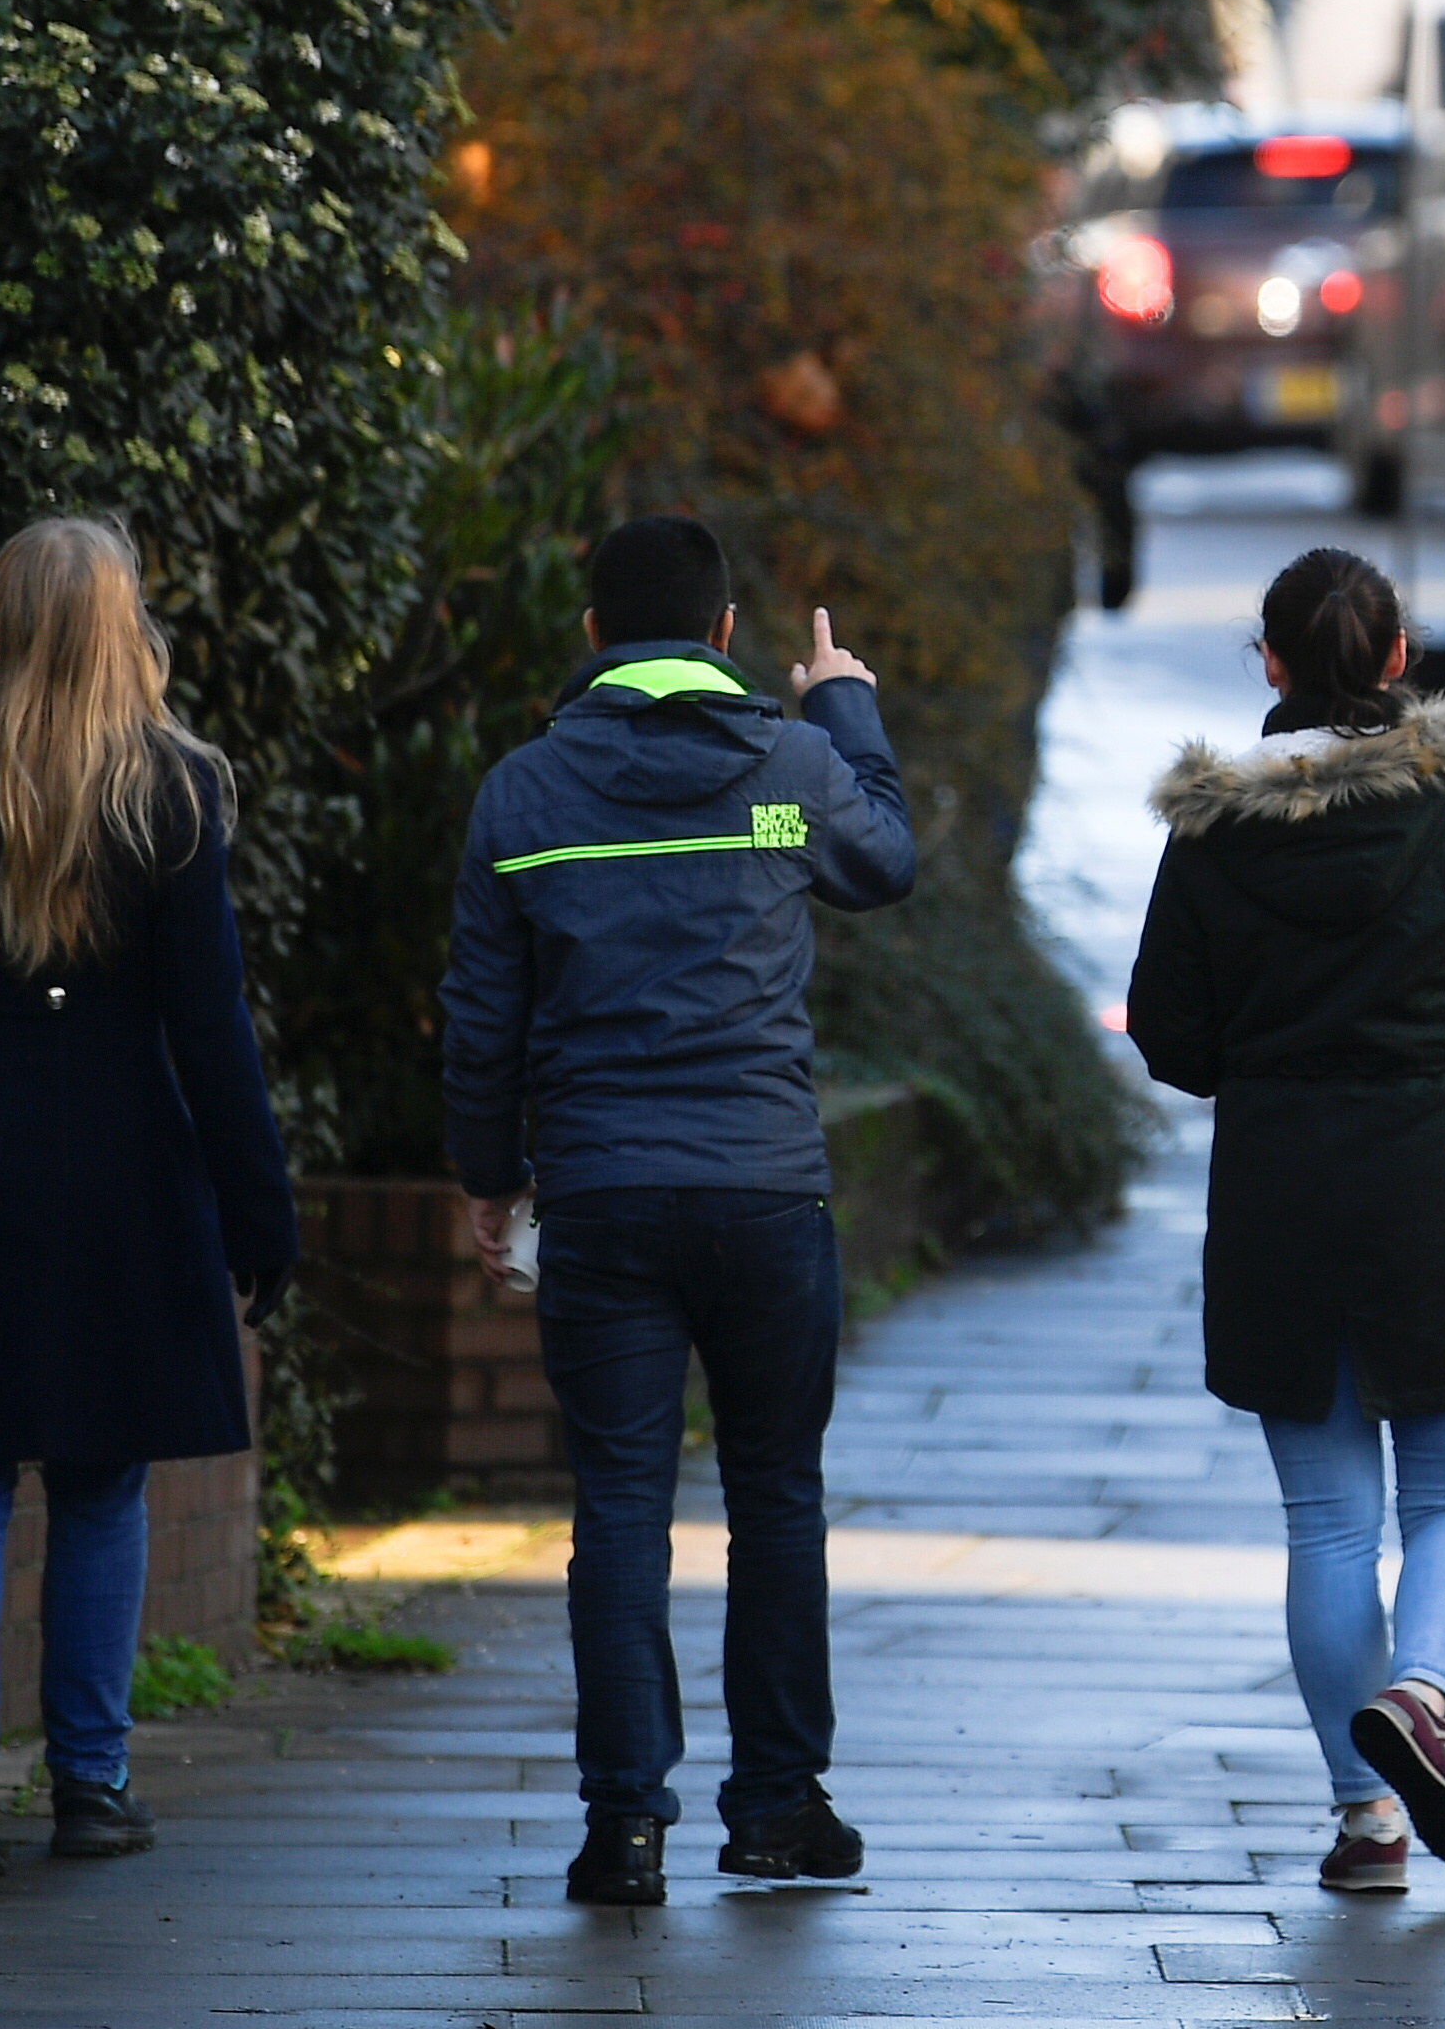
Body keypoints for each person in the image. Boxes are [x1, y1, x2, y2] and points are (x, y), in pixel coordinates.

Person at [0, 515, 298, 1882]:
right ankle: (91, 1780)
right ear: (114, 624)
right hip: (120, 1177)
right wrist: (262, 1217)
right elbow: (213, 1033)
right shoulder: (173, 790)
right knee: (100, 1480)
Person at [444, 516, 915, 1910]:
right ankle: (776, 1807)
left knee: (620, 1510)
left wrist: (488, 1178)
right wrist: (844, 701)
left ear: (592, 636)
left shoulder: (524, 797)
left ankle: (624, 1827)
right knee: (774, 1499)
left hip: (600, 1197)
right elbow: (883, 860)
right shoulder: (788, 767)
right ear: (721, 636)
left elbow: (483, 1018)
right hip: (767, 1195)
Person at [1129, 549, 1445, 1894]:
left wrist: (1270, 1082)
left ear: (1270, 666)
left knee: (1329, 1528)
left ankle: (1366, 1818)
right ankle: (1426, 1698)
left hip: (1282, 1192)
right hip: (1439, 1177)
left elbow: (1170, 1027)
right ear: (1401, 658)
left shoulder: (1218, 823)